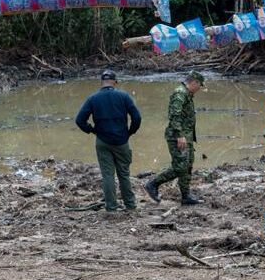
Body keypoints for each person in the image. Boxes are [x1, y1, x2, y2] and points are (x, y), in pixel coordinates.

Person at [76, 69, 143, 211]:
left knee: (107, 175)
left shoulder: (93, 98)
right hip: (121, 141)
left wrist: (92, 130)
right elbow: (137, 118)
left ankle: (111, 207)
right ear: (115, 82)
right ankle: (130, 205)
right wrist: (130, 132)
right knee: (124, 174)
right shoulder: (123, 96)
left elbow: (79, 120)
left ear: (101, 82)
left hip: (102, 141)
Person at [144, 71, 204, 205]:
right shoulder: (180, 93)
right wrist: (180, 135)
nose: (200, 88)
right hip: (178, 136)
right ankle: (153, 184)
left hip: (186, 136)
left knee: (187, 165)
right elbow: (174, 116)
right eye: (200, 85)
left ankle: (186, 196)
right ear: (194, 82)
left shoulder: (187, 94)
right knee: (180, 167)